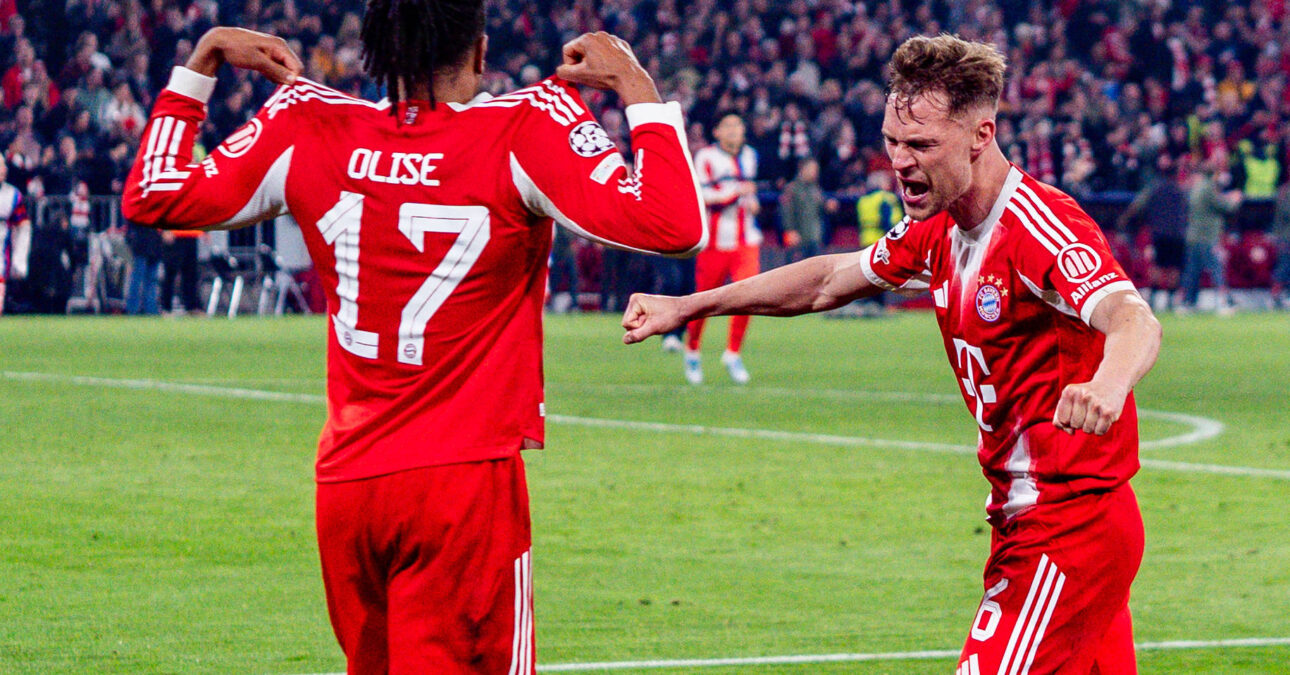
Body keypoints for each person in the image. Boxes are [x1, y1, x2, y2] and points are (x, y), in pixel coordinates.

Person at [120, 13, 706, 675]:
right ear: (480, 51)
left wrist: (202, 61)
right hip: (462, 485)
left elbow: (152, 195)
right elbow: (674, 224)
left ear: (372, 52)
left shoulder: (306, 121)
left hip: (349, 484)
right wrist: (635, 85)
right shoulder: (524, 126)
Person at [622, 35, 1161, 675]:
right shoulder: (936, 225)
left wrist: (1108, 382)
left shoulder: (1041, 227)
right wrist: (688, 306)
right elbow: (827, 281)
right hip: (1033, 521)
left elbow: (1132, 317)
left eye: (921, 145)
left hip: (1068, 528)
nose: (899, 162)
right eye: (892, 141)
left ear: (981, 135)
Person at [688, 112, 761, 385]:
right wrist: (735, 194)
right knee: (705, 301)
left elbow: (748, 191)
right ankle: (692, 350)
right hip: (715, 242)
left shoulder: (750, 155)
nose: (733, 130)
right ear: (716, 131)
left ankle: (733, 352)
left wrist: (752, 201)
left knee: (749, 295)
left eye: (737, 125)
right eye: (727, 125)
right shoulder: (706, 157)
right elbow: (703, 196)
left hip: (746, 240)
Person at [1181, 154, 1241, 314]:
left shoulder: (1197, 187)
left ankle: (1187, 303)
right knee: (1216, 269)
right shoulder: (1209, 187)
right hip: (1207, 236)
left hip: (1193, 235)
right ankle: (1223, 303)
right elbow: (1224, 207)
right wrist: (1234, 200)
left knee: (1193, 271)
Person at [780, 157, 835, 263]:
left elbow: (820, 207)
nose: (815, 173)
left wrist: (828, 205)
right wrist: (790, 230)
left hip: (814, 237)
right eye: (812, 169)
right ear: (803, 168)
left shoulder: (816, 189)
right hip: (799, 236)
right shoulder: (792, 188)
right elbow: (786, 211)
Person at [0, 158, 31, 315]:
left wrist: (20, 260)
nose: (4, 169)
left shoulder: (12, 195)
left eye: (4, 165)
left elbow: (23, 226)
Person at [1272, 180, 1290, 310]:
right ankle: (1275, 296)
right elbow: (1286, 212)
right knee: (1283, 266)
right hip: (1286, 237)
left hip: (1284, 236)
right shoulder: (1286, 191)